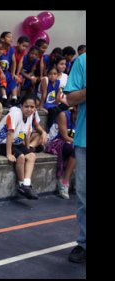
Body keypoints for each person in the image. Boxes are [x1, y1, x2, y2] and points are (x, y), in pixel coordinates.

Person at [0, 95, 38, 200]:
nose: (29, 109)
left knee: (32, 156)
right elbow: (9, 134)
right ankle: (21, 186)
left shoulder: (30, 116)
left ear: (35, 108)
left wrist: (27, 149)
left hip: (15, 143)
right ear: (21, 106)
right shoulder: (15, 114)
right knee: (20, 157)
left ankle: (26, 183)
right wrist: (9, 154)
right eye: (26, 106)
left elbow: (27, 134)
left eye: (32, 107)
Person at [64, 52, 86, 263]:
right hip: (85, 139)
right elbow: (70, 98)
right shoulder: (83, 61)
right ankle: (84, 243)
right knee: (84, 196)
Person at [45, 107, 76, 199]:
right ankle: (64, 181)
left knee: (80, 148)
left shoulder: (83, 118)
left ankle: (80, 182)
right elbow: (65, 136)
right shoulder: (63, 115)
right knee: (77, 149)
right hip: (56, 142)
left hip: (71, 143)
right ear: (75, 108)